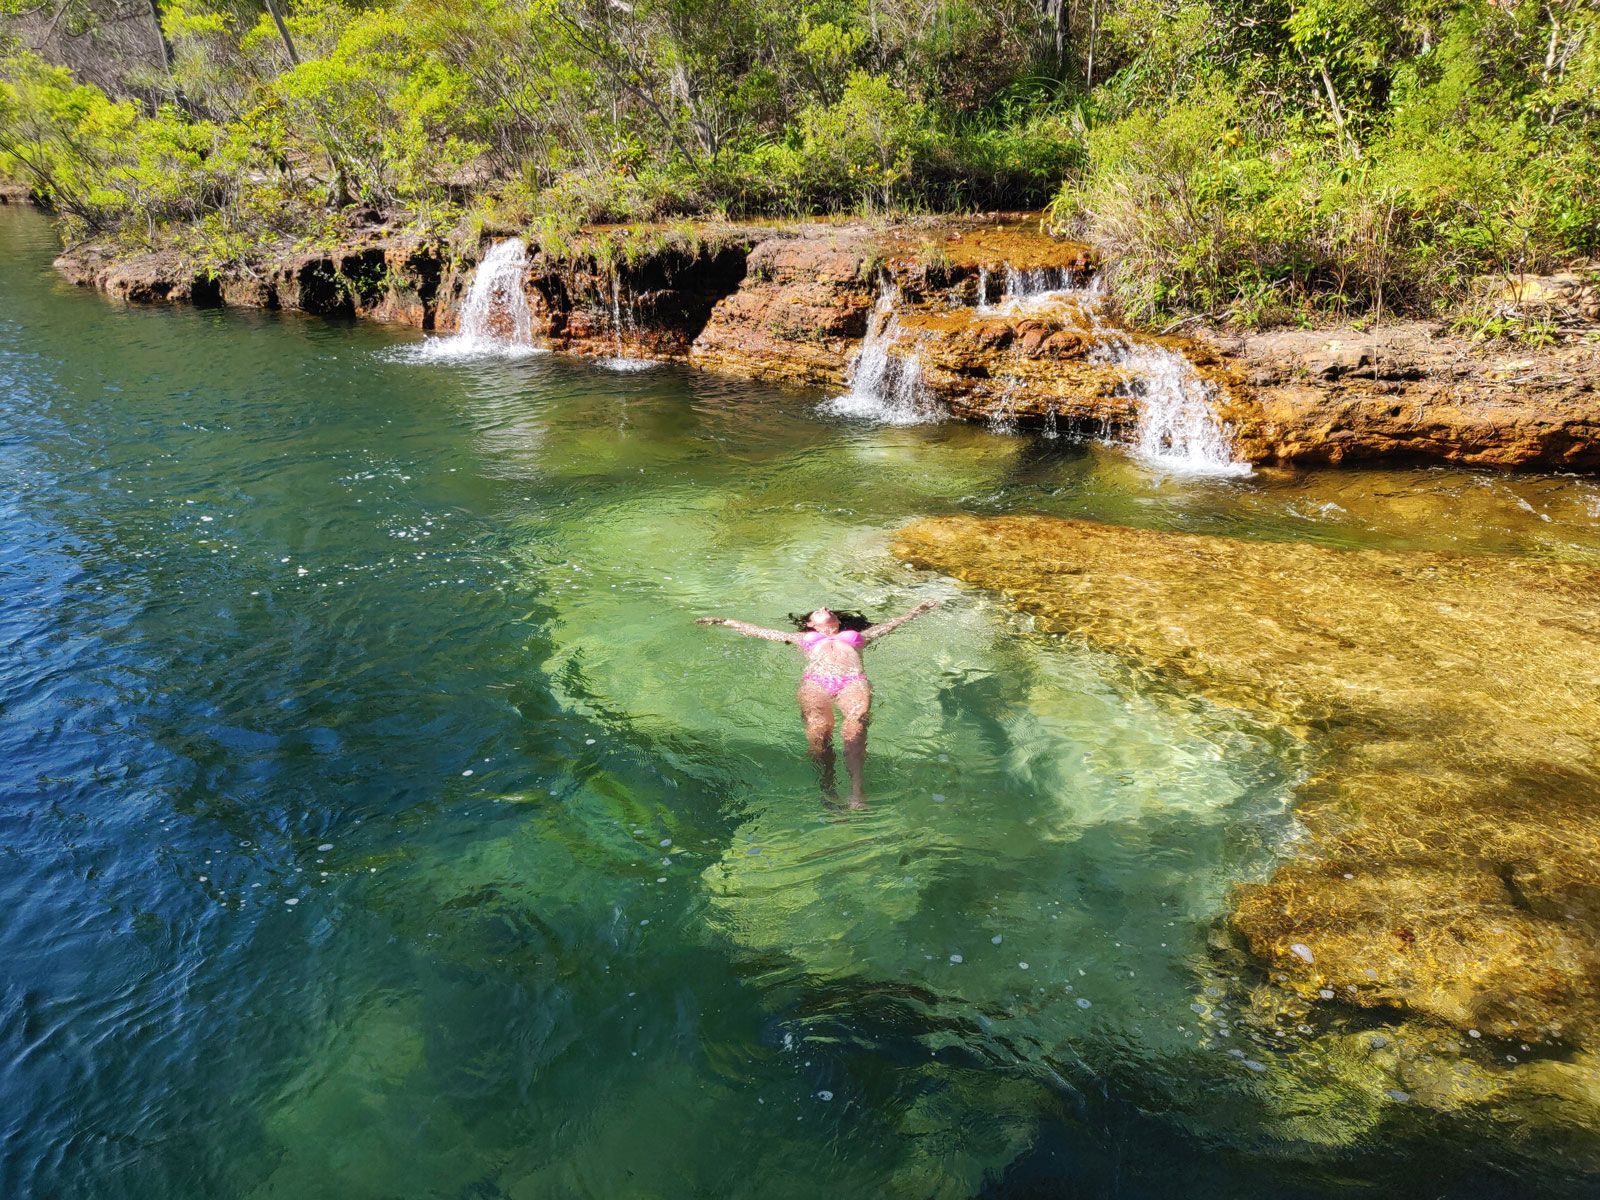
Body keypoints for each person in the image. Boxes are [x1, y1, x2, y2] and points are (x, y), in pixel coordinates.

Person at [696, 600, 939, 807]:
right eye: (817, 611)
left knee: (856, 725)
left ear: (838, 621)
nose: (824, 607)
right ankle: (828, 788)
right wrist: (727, 622)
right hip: (816, 683)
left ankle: (856, 792)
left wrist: (918, 610)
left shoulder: (859, 637)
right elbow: (763, 632)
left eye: (828, 609)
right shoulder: (802, 638)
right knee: (819, 733)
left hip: (853, 680)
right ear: (811, 624)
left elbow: (891, 625)